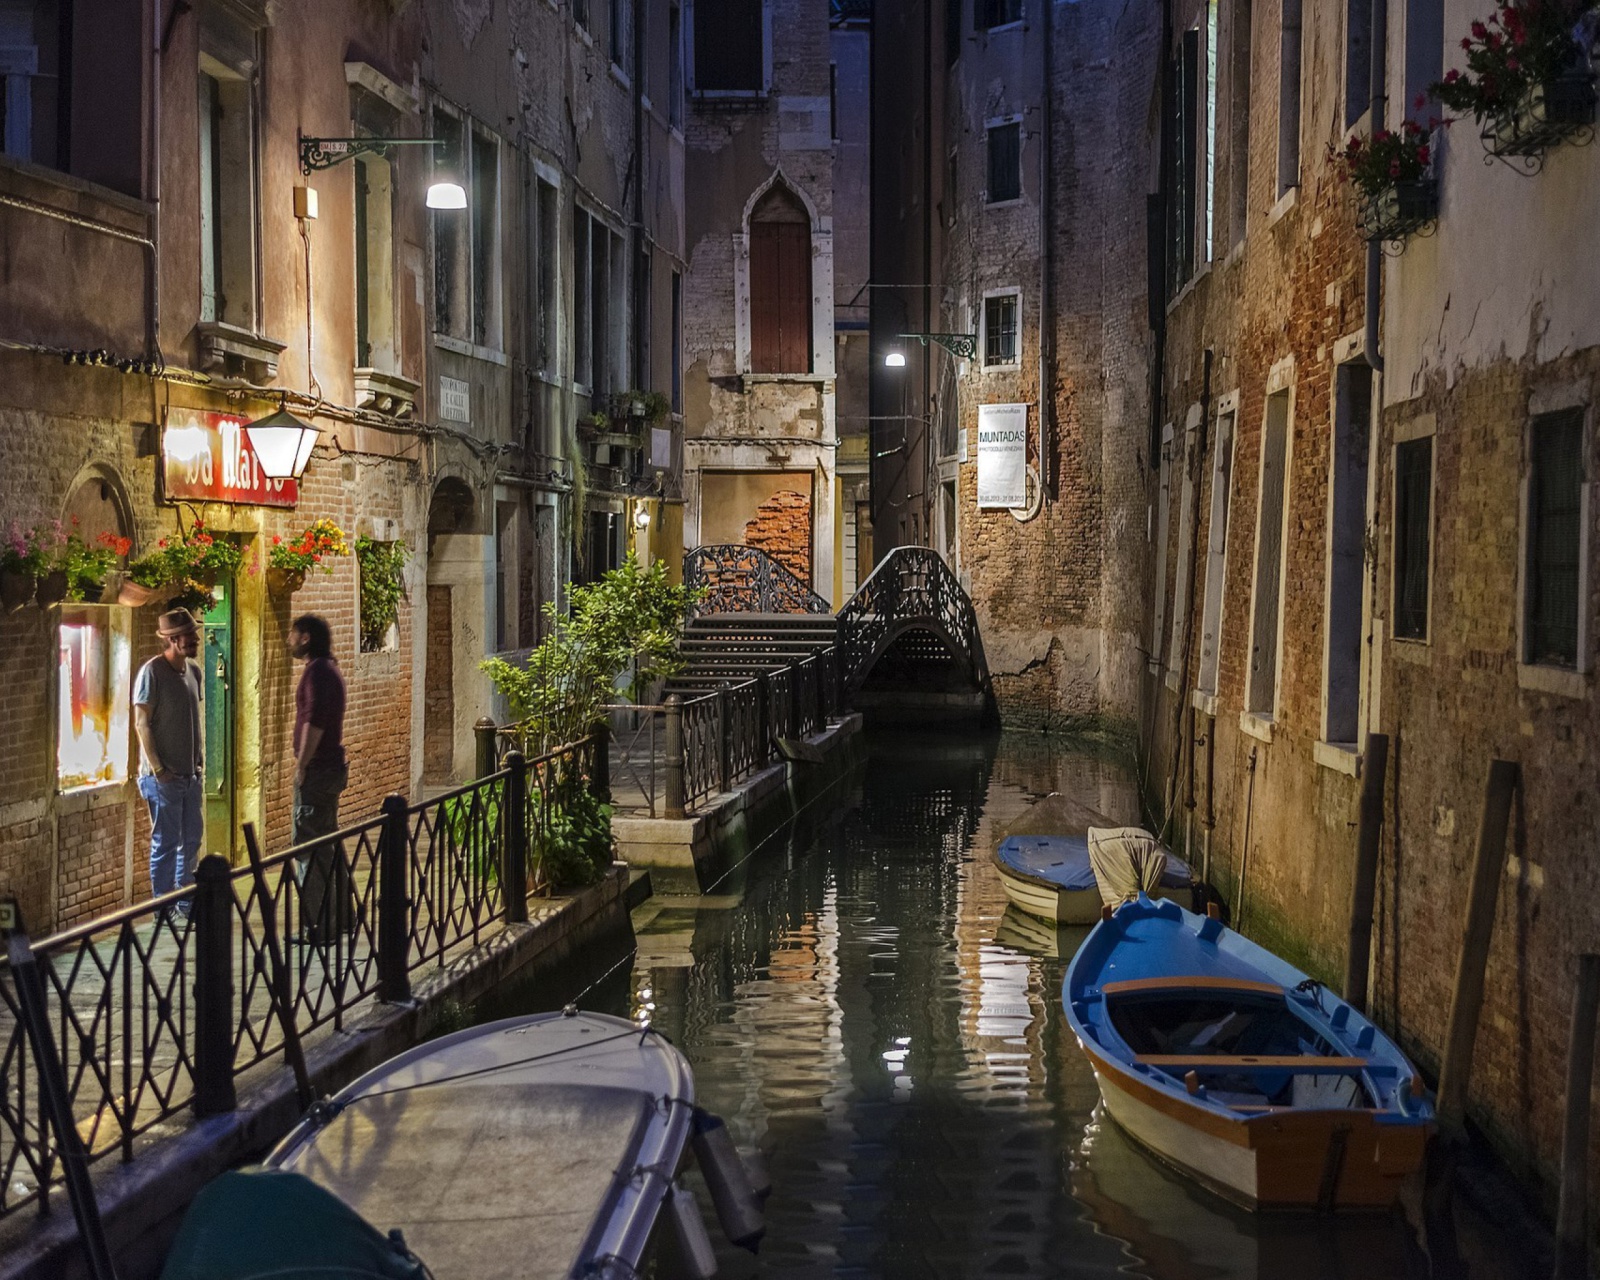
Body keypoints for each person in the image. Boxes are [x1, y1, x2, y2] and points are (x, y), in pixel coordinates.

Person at [134, 608, 205, 913]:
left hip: (190, 775)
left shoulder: (194, 671)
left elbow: (192, 719)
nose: (196, 640)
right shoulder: (152, 672)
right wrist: (159, 769)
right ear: (173, 640)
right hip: (163, 778)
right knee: (165, 843)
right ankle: (163, 906)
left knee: (191, 839)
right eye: (190, 636)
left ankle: (186, 902)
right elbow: (141, 723)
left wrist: (199, 764)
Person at [289, 614, 350, 942]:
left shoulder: (317, 674)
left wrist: (302, 765)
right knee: (326, 841)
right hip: (329, 768)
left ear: (306, 638)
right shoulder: (329, 670)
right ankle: (343, 917)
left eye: (293, 634)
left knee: (310, 847)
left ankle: (320, 925)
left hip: (318, 771)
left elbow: (314, 723)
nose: (289, 640)